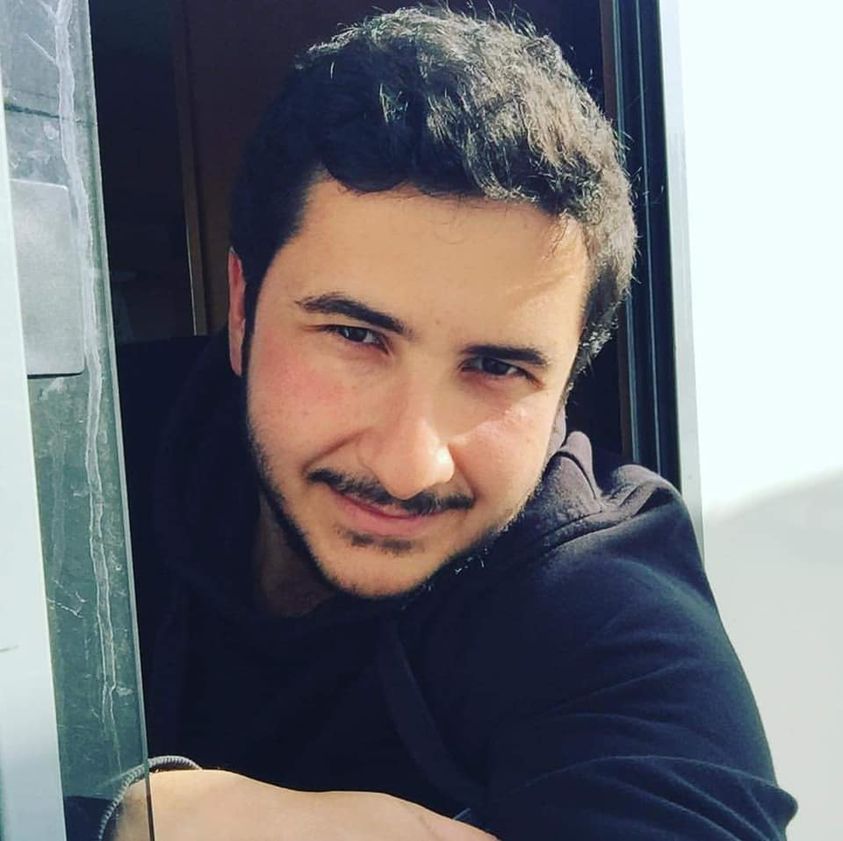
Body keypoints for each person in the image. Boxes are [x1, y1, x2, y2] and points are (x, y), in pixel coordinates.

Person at [110, 6, 796, 840]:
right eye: (354, 336)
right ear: (243, 308)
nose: (409, 465)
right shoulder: (86, 454)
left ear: (564, 389)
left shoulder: (591, 590)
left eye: (498, 368)